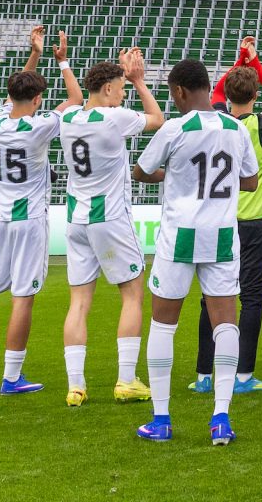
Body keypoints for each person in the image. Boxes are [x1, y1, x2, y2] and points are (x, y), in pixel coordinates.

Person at [131, 58, 260, 445]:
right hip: (221, 235)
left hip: (180, 235)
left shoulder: (175, 128)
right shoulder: (235, 129)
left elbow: (140, 170)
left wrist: (173, 173)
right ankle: (221, 418)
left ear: (179, 92)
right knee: (225, 326)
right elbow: (251, 181)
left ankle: (162, 418)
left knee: (163, 326)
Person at [0, 28, 80, 396]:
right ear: (38, 98)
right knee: (23, 297)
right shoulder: (40, 126)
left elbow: (14, 94)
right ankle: (11, 377)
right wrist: (61, 60)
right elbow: (76, 98)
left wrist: (33, 57)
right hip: (29, 220)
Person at [57, 48, 164, 407]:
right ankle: (126, 379)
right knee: (132, 294)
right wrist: (139, 80)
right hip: (110, 218)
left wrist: (64, 63)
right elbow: (157, 118)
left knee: (79, 302)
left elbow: (75, 97)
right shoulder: (114, 118)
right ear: (106, 89)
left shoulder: (69, 117)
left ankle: (76, 386)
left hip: (75, 219)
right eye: (120, 89)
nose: (123, 95)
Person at [188, 38, 262, 394]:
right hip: (258, 225)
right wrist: (256, 64)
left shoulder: (218, 121)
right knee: (251, 299)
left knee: (211, 299)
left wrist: (239, 62)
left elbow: (217, 89)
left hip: (220, 222)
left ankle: (204, 374)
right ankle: (244, 376)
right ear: (255, 97)